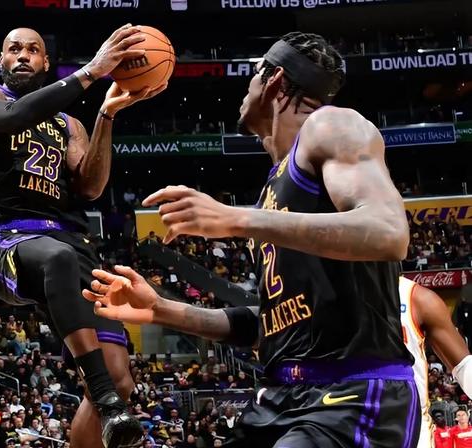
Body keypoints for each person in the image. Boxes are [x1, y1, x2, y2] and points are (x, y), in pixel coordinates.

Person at [83, 32, 420, 447]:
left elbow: (389, 232)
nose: (246, 88)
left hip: (352, 393)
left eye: (253, 76)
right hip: (281, 397)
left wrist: (236, 218)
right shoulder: (272, 188)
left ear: (275, 81)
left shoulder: (332, 125)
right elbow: (271, 323)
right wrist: (159, 309)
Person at [0, 25, 165, 448]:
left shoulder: (69, 123)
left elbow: (90, 187)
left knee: (122, 378)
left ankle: (106, 399)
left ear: (45, 63)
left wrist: (105, 115)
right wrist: (91, 71)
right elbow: (13, 118)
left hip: (71, 240)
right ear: (1, 59)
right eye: (14, 48)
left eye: (33, 50)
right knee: (58, 261)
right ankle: (106, 401)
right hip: (7, 238)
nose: (22, 55)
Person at [400, 277, 472, 448]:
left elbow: (466, 369)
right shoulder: (327, 288)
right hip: (341, 424)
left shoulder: (418, 299)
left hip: (411, 432)